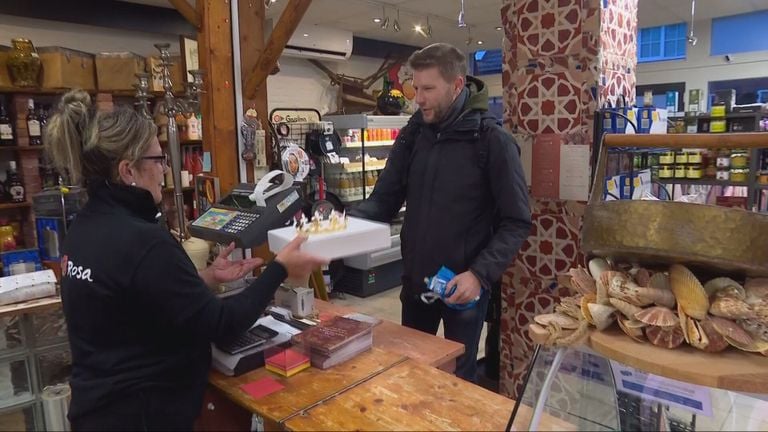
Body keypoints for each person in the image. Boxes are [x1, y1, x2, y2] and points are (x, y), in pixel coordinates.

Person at [45, 90, 328, 431]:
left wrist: (205, 279)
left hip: (97, 410)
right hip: (143, 415)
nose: (164, 168)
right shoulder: (142, 240)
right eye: (157, 159)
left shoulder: (84, 227)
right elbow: (220, 323)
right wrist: (280, 268)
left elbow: (132, 299)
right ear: (127, 170)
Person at [348, 43, 531, 382]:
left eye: (428, 89)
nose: (418, 98)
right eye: (416, 88)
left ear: (457, 85)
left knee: (455, 380)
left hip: (464, 288)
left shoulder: (492, 141)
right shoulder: (413, 134)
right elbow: (383, 201)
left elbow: (517, 221)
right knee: (413, 372)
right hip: (416, 284)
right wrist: (336, 230)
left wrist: (479, 275)